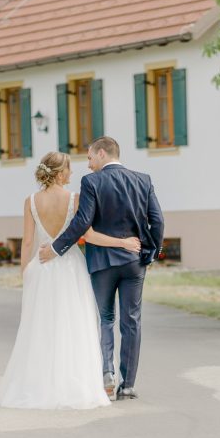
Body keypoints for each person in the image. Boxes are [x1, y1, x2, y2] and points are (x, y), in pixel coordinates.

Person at [0, 151, 141, 409]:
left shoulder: (30, 201)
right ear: (61, 173)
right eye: (69, 169)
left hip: (41, 268)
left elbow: (28, 241)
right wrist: (122, 242)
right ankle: (74, 386)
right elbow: (90, 235)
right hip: (71, 269)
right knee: (74, 326)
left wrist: (24, 272)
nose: (72, 174)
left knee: (40, 329)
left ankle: (38, 387)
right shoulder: (74, 199)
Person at [39, 136, 164, 401]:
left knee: (106, 318)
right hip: (134, 262)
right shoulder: (144, 179)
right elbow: (157, 220)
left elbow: (83, 221)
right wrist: (151, 252)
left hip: (102, 262)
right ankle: (127, 385)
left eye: (89, 157)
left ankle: (107, 372)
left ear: (103, 153)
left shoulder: (92, 182)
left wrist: (55, 248)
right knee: (132, 321)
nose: (88, 164)